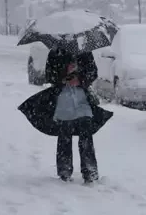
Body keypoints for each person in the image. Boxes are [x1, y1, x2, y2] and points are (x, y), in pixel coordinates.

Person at [43, 48, 108, 183]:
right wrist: (64, 75)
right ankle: (64, 171)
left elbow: (93, 73)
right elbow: (49, 76)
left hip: (82, 102)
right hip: (63, 102)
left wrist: (80, 79)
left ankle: (90, 171)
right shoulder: (55, 52)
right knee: (64, 137)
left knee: (86, 137)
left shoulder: (85, 51)